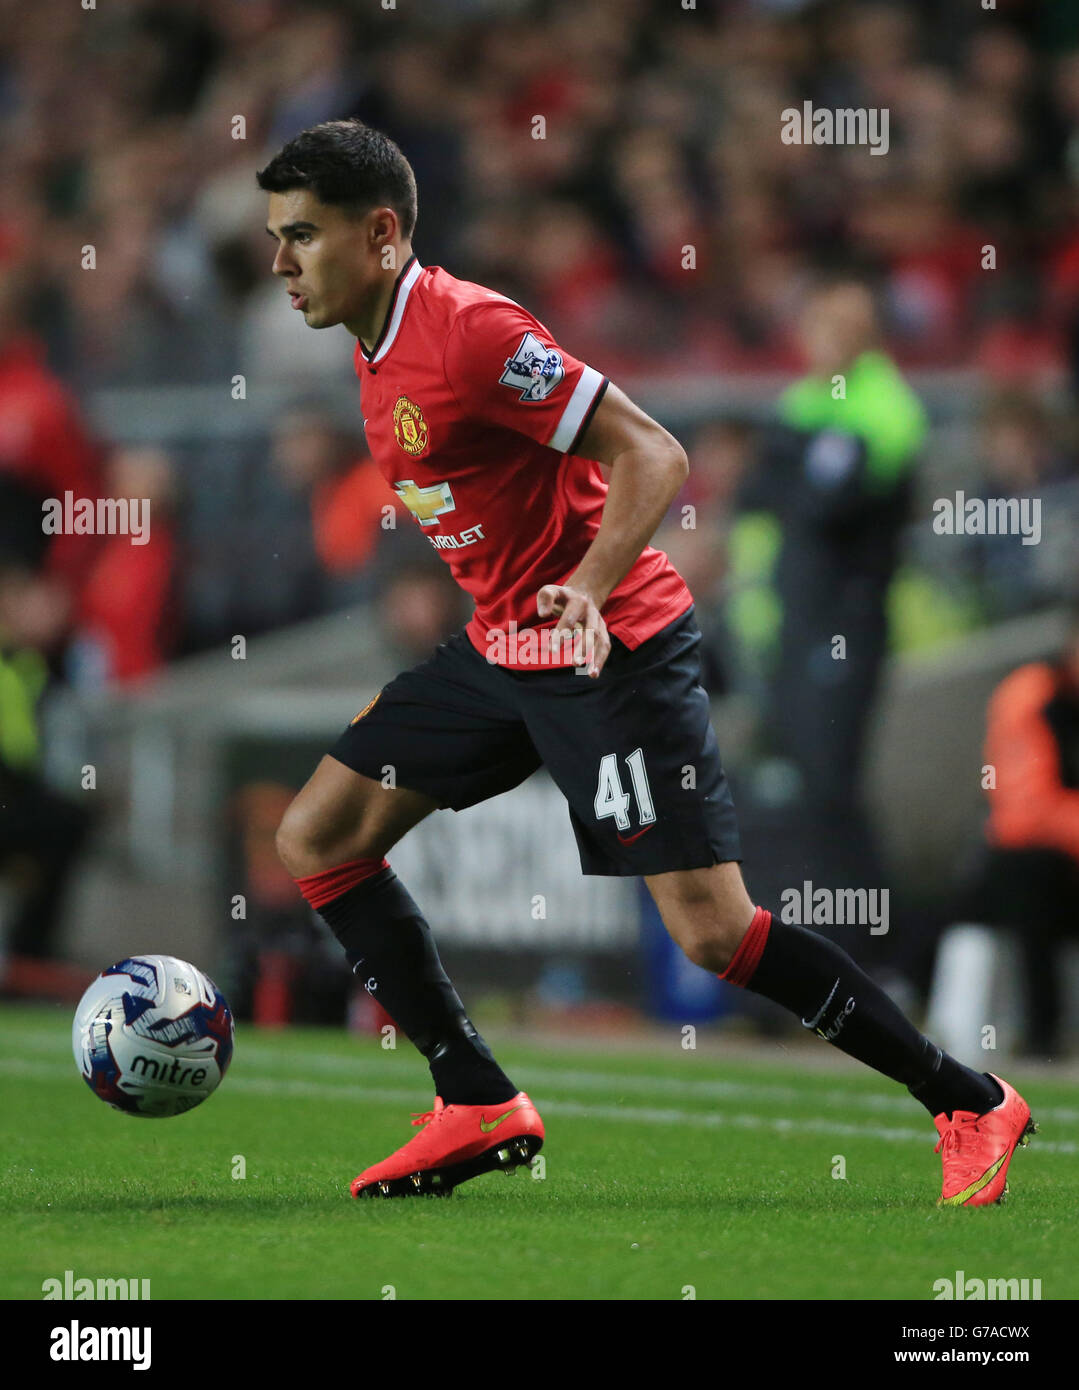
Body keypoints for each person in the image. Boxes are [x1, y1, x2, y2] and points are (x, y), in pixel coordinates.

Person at [258, 119, 1033, 1205]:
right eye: (275, 237)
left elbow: (652, 451)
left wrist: (581, 585)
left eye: (301, 236)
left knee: (712, 932)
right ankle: (474, 1094)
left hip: (608, 643)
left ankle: (966, 1099)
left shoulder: (471, 332)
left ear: (380, 234)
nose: (280, 263)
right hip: (503, 647)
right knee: (318, 834)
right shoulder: (372, 342)